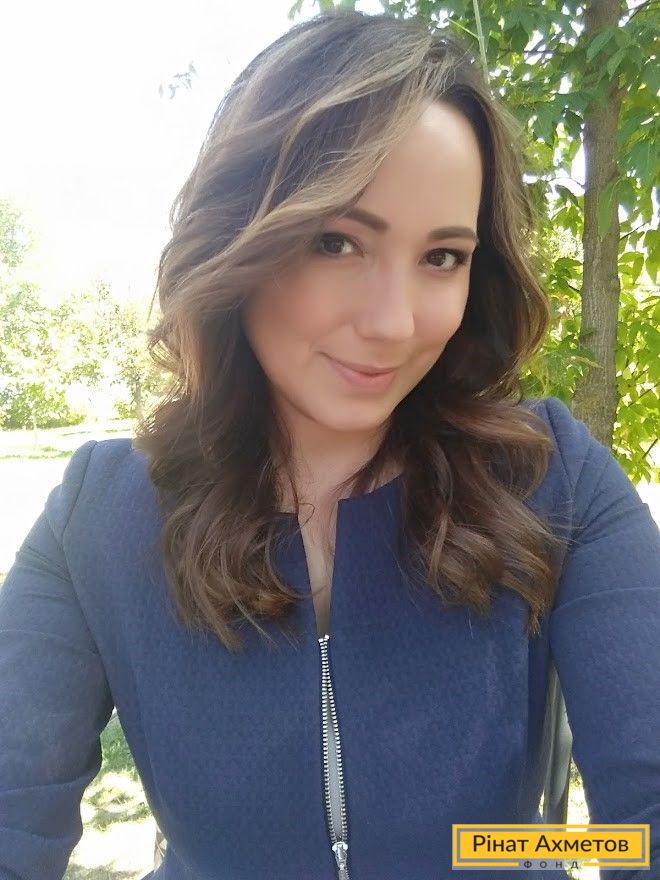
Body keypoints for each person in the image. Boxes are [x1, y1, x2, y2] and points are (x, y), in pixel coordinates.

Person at [0, 9, 658, 880]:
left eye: (442, 257)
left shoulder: (552, 480)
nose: (393, 323)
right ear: (240, 236)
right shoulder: (100, 514)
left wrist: (516, 855)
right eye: (337, 242)